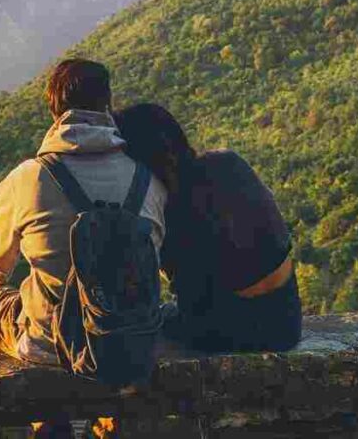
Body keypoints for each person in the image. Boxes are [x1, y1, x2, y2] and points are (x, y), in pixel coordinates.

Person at [0, 60, 168, 363]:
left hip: (51, 342)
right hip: (130, 341)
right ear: (107, 104)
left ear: (54, 111)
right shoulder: (149, 180)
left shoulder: (28, 176)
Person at [114, 103, 301, 353]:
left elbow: (192, 303)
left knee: (153, 321)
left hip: (235, 333)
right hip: (287, 320)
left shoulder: (169, 207)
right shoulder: (228, 161)